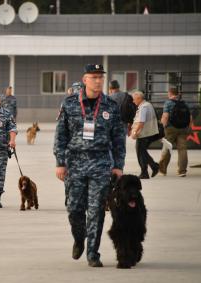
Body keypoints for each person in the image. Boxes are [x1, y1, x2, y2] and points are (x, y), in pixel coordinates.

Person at [54, 64, 125, 267]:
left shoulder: (111, 106)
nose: (98, 81)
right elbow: (61, 135)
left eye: (100, 77)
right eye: (93, 77)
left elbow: (119, 138)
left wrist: (118, 165)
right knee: (74, 209)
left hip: (101, 163)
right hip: (74, 163)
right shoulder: (69, 104)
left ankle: (93, 253)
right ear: (85, 80)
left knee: (96, 210)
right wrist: (60, 162)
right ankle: (79, 238)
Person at [158, 88, 193, 177]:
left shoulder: (168, 103)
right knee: (182, 149)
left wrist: (163, 127)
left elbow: (165, 116)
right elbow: (190, 117)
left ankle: (162, 170)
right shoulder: (184, 103)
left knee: (168, 147)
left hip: (170, 129)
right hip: (183, 128)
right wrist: (189, 128)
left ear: (170, 93)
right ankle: (182, 171)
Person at [130, 90, 160, 179]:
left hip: (143, 134)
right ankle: (153, 167)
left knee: (140, 153)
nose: (133, 101)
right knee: (142, 152)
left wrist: (135, 132)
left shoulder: (143, 107)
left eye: (134, 99)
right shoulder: (148, 105)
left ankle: (145, 172)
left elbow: (141, 122)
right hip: (148, 133)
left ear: (139, 98)